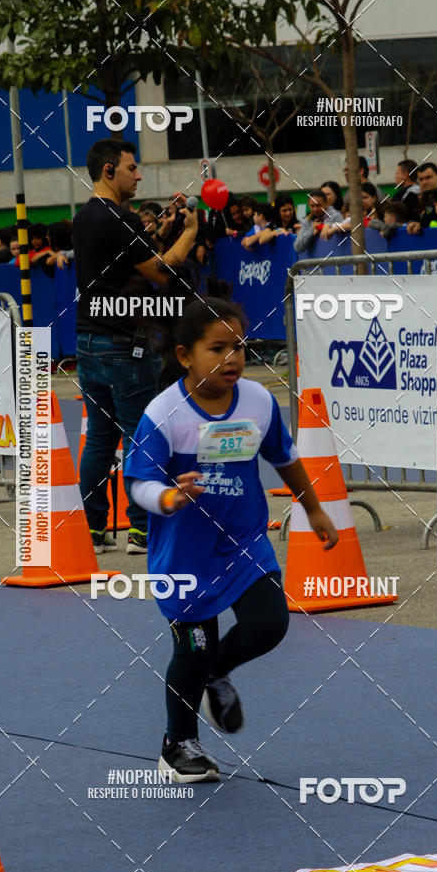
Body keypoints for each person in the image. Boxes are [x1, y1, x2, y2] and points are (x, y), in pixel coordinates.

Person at [123, 284, 338, 782]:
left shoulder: (259, 401)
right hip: (185, 556)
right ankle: (178, 744)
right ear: (185, 356)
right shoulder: (165, 414)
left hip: (244, 544)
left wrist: (316, 510)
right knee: (193, 648)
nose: (231, 357)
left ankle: (216, 671)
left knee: (270, 625)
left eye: (238, 346)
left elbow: (284, 457)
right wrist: (169, 497)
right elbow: (137, 483)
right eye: (217, 348)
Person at [73, 138, 198, 555]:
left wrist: (159, 232)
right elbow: (161, 272)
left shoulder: (85, 217)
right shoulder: (120, 219)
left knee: (99, 440)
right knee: (142, 436)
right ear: (109, 171)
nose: (139, 175)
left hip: (87, 341)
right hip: (124, 344)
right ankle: (142, 530)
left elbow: (129, 259)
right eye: (132, 168)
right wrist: (190, 234)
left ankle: (93, 529)